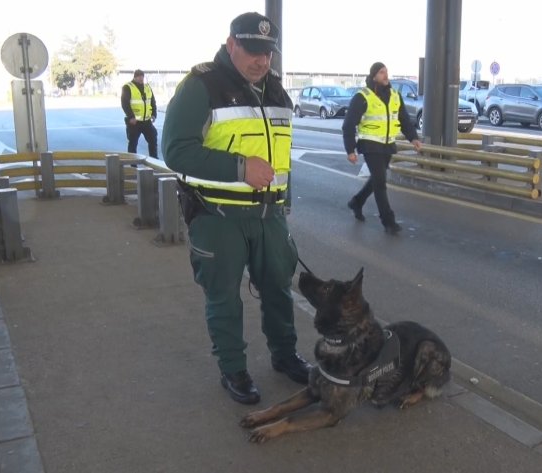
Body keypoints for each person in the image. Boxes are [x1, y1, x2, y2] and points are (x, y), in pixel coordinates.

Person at [161, 12, 311, 405]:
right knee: (224, 297)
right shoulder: (202, 86)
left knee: (278, 289)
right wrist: (241, 169)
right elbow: (175, 151)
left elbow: (281, 157)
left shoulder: (276, 91)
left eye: (268, 52)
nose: (262, 60)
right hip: (217, 216)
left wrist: (283, 205)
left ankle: (285, 355)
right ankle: (234, 370)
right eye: (252, 50)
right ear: (231, 45)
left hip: (269, 216)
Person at [342, 62, 422, 234]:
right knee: (380, 183)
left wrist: (413, 138)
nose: (385, 75)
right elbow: (348, 124)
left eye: (386, 72)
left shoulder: (395, 96)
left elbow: (404, 119)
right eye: (381, 72)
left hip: (387, 146)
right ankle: (388, 221)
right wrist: (350, 150)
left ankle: (357, 202)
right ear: (373, 76)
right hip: (370, 145)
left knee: (377, 180)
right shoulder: (362, 97)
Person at [121, 69, 158, 158]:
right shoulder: (128, 87)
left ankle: (154, 159)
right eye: (139, 77)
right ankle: (133, 163)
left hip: (146, 121)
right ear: (135, 77)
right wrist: (131, 117)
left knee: (153, 139)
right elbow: (125, 103)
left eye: (142, 77)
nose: (141, 79)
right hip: (135, 122)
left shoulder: (147, 87)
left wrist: (154, 114)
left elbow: (152, 102)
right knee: (133, 143)